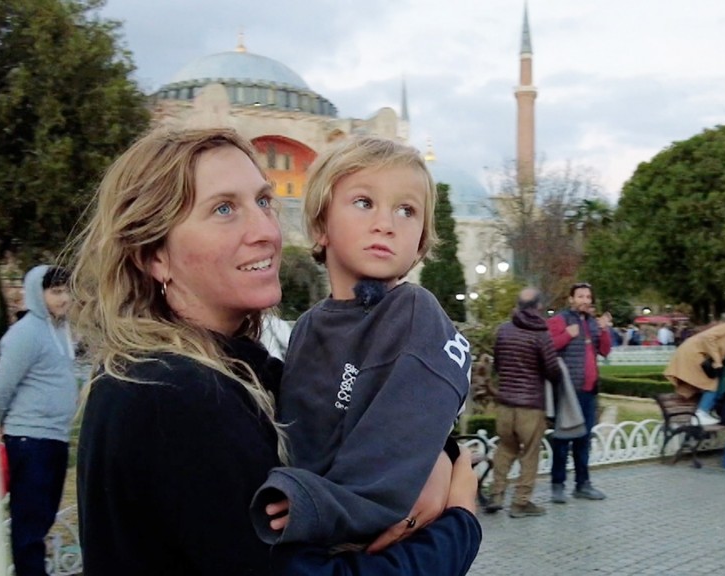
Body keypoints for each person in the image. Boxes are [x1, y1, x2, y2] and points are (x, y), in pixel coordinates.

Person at [71, 127, 480, 575]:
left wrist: (442, 456)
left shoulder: (240, 367)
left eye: (263, 201)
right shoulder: (168, 392)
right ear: (154, 255)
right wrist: (459, 524)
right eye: (224, 209)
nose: (265, 230)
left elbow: (372, 414)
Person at [251, 134, 472, 548]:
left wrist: (314, 503)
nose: (385, 223)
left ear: (421, 241)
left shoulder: (413, 312)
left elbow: (398, 444)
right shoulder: (307, 328)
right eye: (364, 202)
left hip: (366, 540)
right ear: (320, 226)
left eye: (406, 210)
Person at [0, 265, 77, 576]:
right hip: (30, 440)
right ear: (36, 293)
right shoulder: (25, 334)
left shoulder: (60, 331)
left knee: (41, 519)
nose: (64, 298)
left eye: (66, 291)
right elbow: (1, 386)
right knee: (30, 523)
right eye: (56, 291)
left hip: (55, 438)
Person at [485, 287, 563, 518]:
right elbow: (552, 370)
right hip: (530, 406)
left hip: (505, 404)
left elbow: (498, 366)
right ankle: (521, 502)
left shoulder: (504, 331)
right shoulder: (541, 334)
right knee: (530, 453)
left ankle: (496, 495)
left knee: (505, 448)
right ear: (538, 307)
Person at [546, 282, 612, 503]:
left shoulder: (593, 322)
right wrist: (566, 335)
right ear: (571, 299)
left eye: (588, 297)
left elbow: (604, 350)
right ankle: (558, 485)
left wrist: (603, 330)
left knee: (584, 440)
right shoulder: (559, 320)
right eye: (580, 296)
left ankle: (583, 484)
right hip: (567, 391)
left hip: (588, 392)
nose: (585, 300)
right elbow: (547, 346)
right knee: (563, 439)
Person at [663, 315, 725, 426]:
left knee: (705, 384)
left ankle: (703, 412)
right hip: (694, 355)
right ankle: (701, 413)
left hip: (693, 354)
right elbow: (708, 338)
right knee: (711, 384)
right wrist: (717, 360)